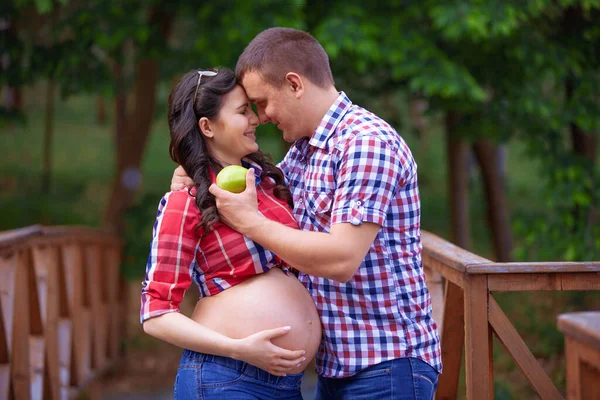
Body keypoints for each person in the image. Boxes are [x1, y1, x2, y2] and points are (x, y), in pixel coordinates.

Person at [172, 27, 442, 400]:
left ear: (295, 84)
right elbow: (251, 197)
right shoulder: (301, 154)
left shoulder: (365, 143)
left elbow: (342, 258)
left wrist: (251, 221)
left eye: (263, 102)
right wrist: (193, 177)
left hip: (384, 363)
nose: (261, 117)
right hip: (337, 366)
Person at [141, 67, 322, 400]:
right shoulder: (185, 202)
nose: (256, 119)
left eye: (252, 108)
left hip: (285, 385)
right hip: (226, 379)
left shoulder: (268, 184)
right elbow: (156, 314)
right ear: (207, 127)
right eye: (242, 112)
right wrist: (238, 348)